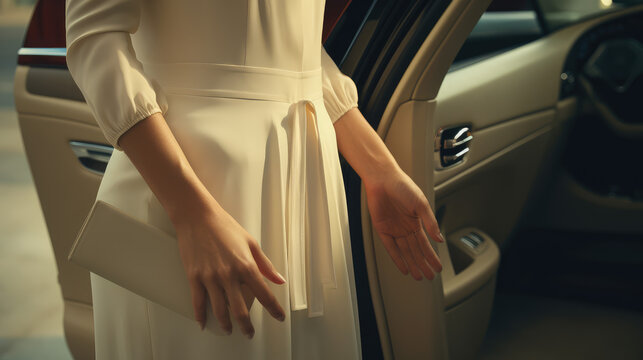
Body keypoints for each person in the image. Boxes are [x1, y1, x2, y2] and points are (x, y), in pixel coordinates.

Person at [65, 0, 445, 358]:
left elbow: (300, 52)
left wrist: (378, 167)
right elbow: (93, 39)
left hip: (306, 185)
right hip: (191, 183)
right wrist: (191, 212)